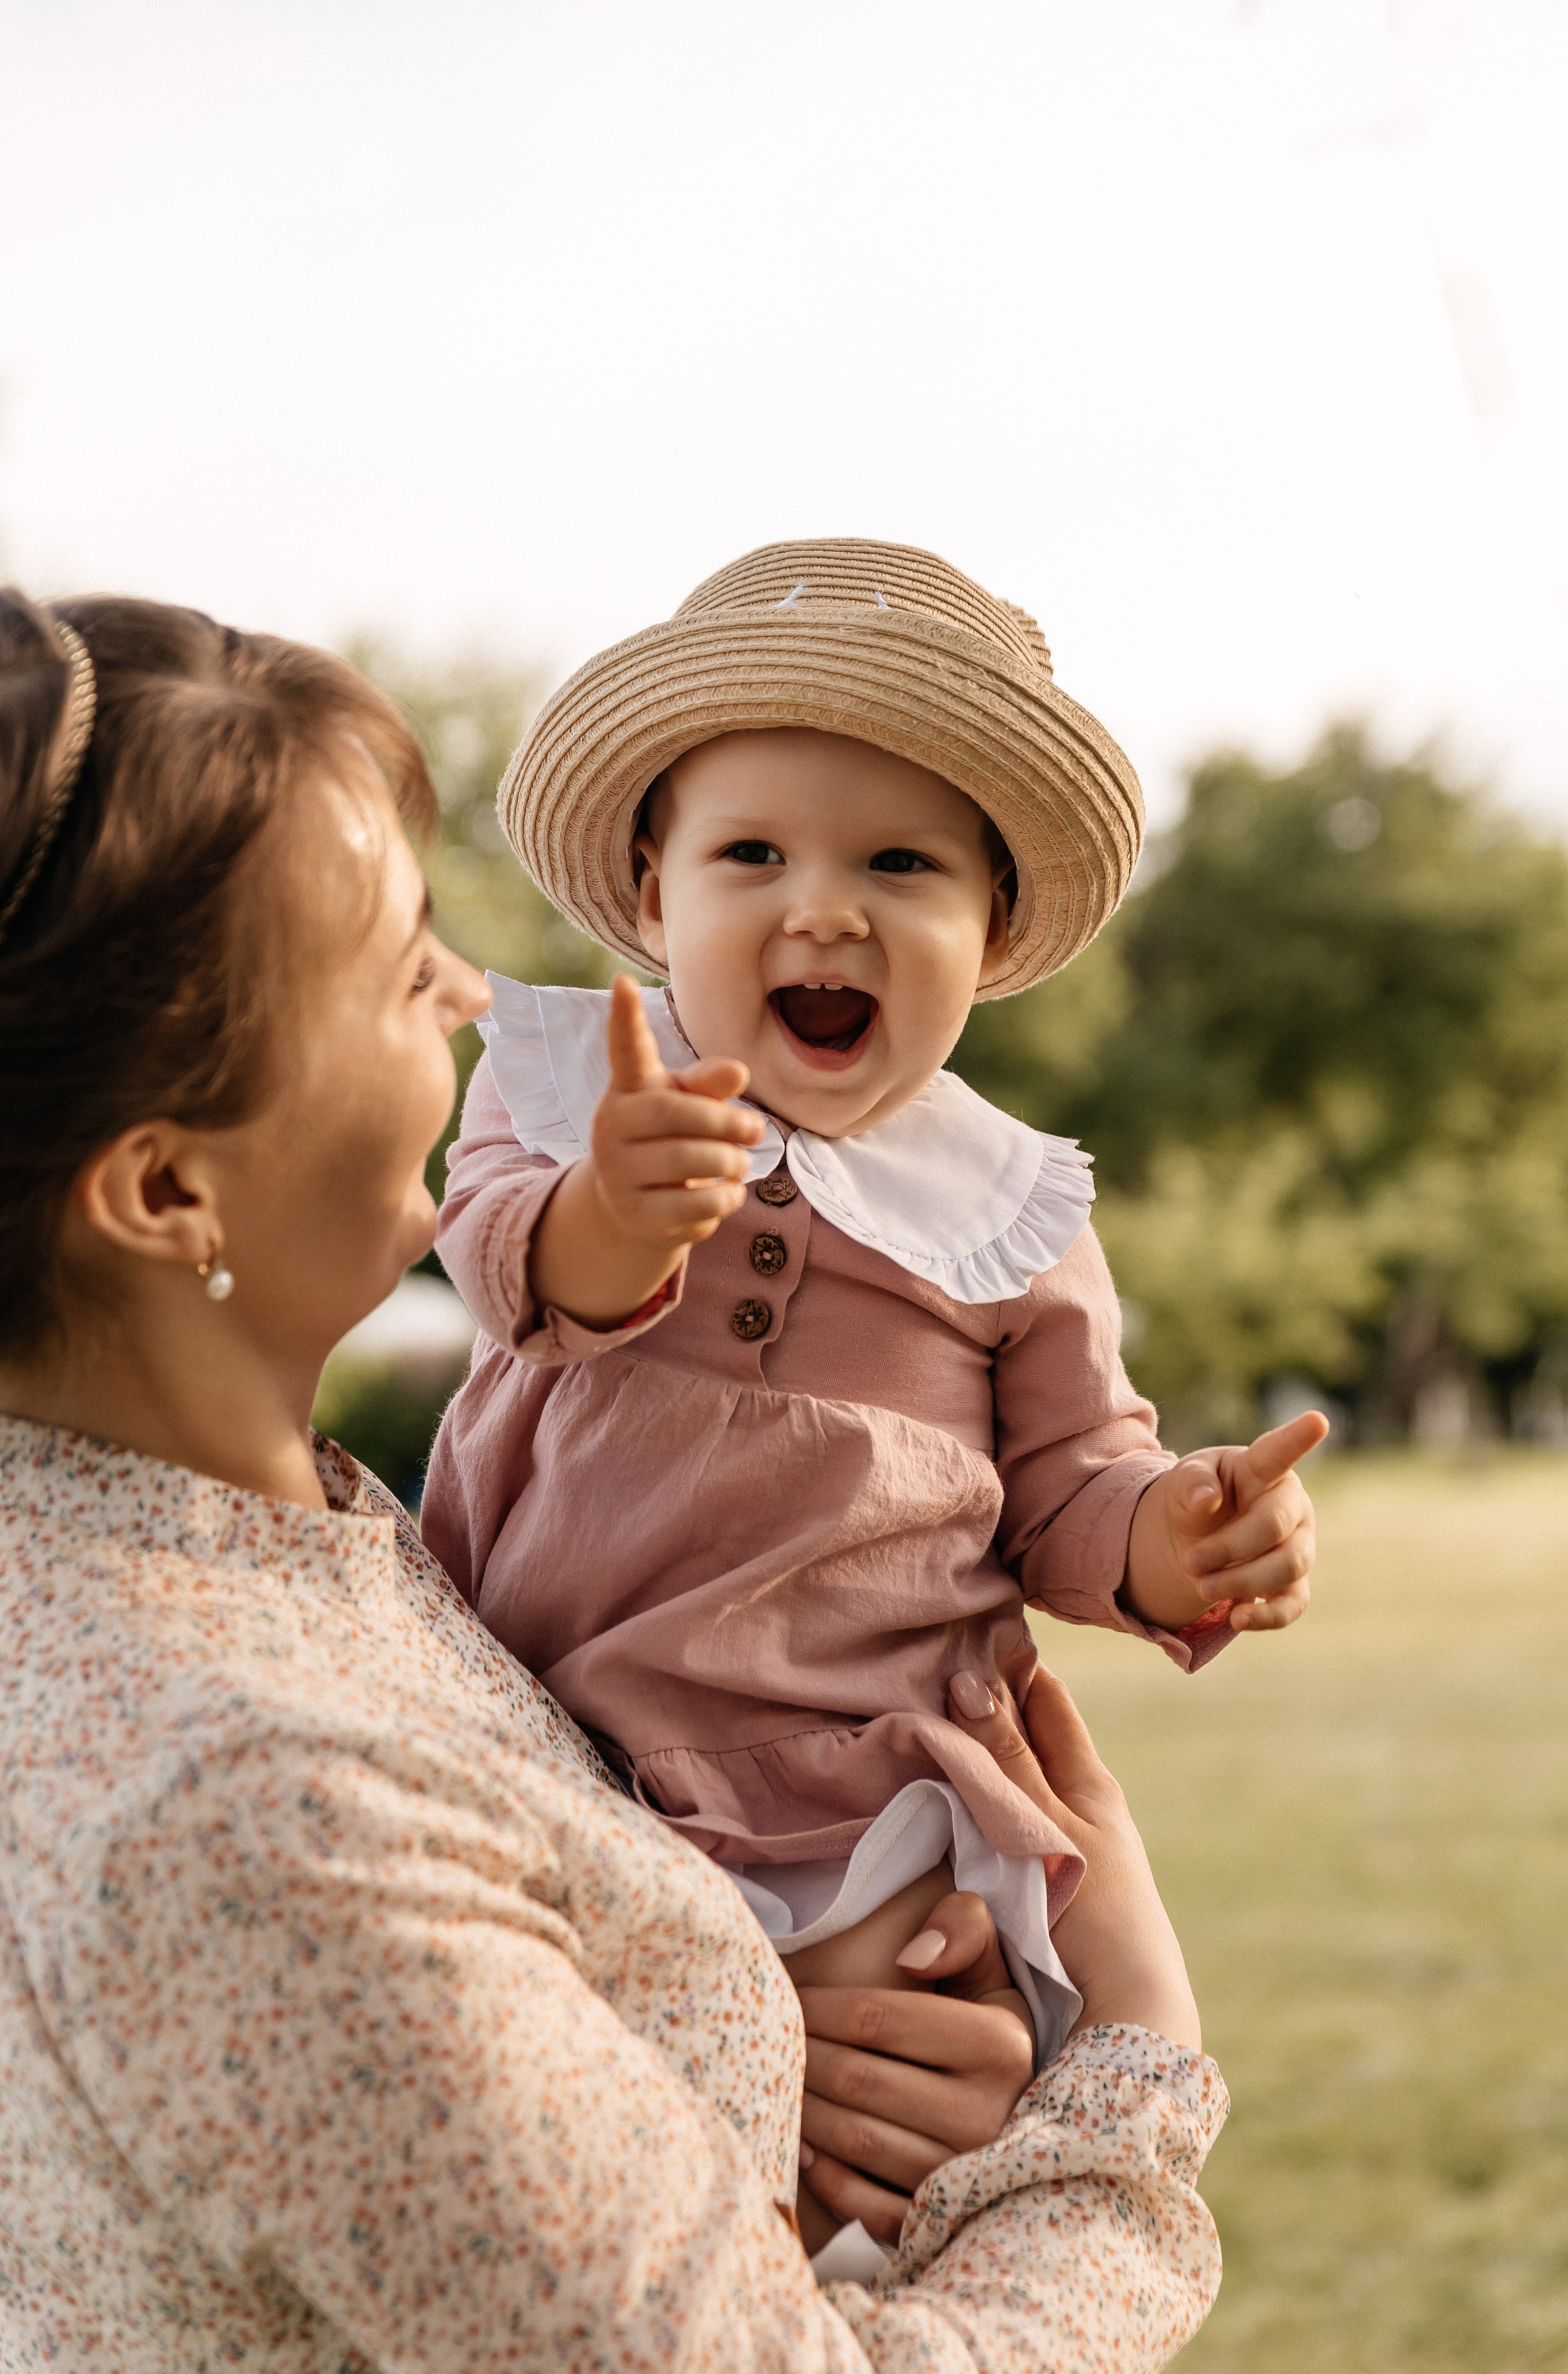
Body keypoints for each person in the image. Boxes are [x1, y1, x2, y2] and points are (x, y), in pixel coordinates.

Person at [0, 587, 1227, 2365]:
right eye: (390, 960)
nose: (468, 990)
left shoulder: (280, 1547)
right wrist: (1130, 2078)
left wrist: (730, 2036)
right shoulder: (246, 1801)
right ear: (167, 1192)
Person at [422, 538, 1322, 2239]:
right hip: (561, 1742)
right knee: (587, 2156)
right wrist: (617, 1212)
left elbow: (1066, 1487)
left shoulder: (1005, 1214)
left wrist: (1170, 1539)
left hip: (863, 1787)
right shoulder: (569, 1096)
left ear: (987, 934)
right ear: (651, 886)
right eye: (750, 851)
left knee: (851, 2162)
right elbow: (507, 1276)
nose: (821, 906)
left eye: (899, 864)